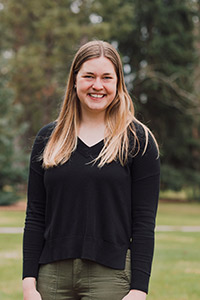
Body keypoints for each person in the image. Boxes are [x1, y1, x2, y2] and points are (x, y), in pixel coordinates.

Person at [22, 40, 160, 300]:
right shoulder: (48, 138)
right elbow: (35, 215)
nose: (98, 85)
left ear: (118, 83)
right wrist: (29, 283)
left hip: (110, 276)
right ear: (75, 80)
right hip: (51, 276)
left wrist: (139, 290)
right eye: (89, 76)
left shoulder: (138, 140)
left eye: (107, 77)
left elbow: (143, 222)